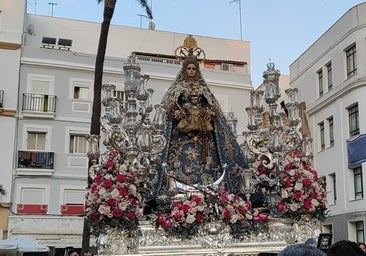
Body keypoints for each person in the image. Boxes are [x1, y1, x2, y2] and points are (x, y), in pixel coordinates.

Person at [152, 35, 248, 199]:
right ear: (184, 69)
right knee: (177, 162)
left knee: (207, 163)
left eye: (193, 69)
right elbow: (167, 107)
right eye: (188, 68)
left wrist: (208, 114)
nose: (191, 71)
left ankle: (212, 191)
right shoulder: (178, 88)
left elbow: (213, 108)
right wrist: (176, 112)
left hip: (203, 136)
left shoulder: (203, 89)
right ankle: (173, 191)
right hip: (181, 135)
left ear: (197, 70)